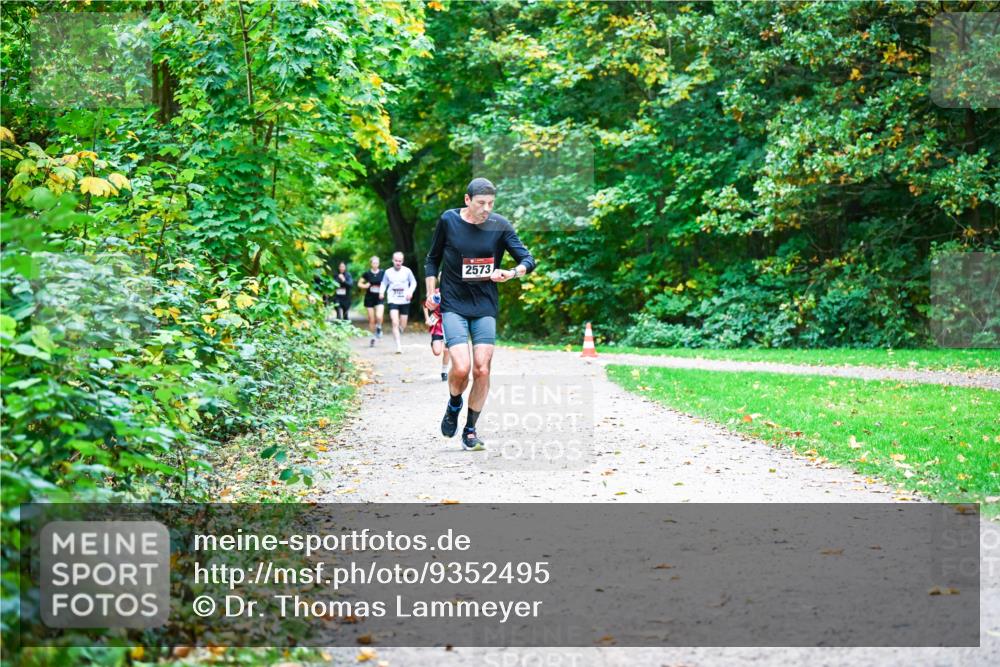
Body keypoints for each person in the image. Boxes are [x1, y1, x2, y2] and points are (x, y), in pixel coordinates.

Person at [424, 177, 535, 451]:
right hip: (454, 304)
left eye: (491, 203)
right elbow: (432, 259)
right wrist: (430, 292)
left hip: (485, 305)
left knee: (482, 368)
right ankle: (454, 404)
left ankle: (470, 430)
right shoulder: (449, 221)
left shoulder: (499, 226)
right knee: (460, 367)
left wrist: (510, 273)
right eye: (481, 203)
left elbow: (528, 260)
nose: (486, 209)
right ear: (467, 200)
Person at [379, 251, 417, 354]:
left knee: (403, 325)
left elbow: (413, 282)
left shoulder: (407, 271)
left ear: (402, 261)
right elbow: (383, 283)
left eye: (400, 261)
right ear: (393, 260)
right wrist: (381, 292)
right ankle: (398, 346)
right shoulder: (388, 272)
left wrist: (410, 292)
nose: (398, 263)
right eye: (396, 260)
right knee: (394, 322)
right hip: (393, 300)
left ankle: (398, 332)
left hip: (405, 300)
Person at [423, 287, 450, 381]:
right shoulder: (436, 292)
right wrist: (427, 318)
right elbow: (425, 305)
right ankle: (433, 343)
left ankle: (444, 371)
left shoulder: (455, 289)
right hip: (437, 322)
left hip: (450, 323)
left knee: (447, 350)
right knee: (437, 352)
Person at [357, 256, 385, 347]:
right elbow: (359, 283)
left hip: (379, 297)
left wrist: (383, 291)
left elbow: (387, 282)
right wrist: (365, 286)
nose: (375, 264)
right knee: (371, 319)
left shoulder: (382, 273)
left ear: (379, 264)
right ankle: (373, 337)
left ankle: (379, 327)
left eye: (377, 263)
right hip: (369, 298)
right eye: (374, 263)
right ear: (371, 264)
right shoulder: (367, 274)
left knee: (379, 316)